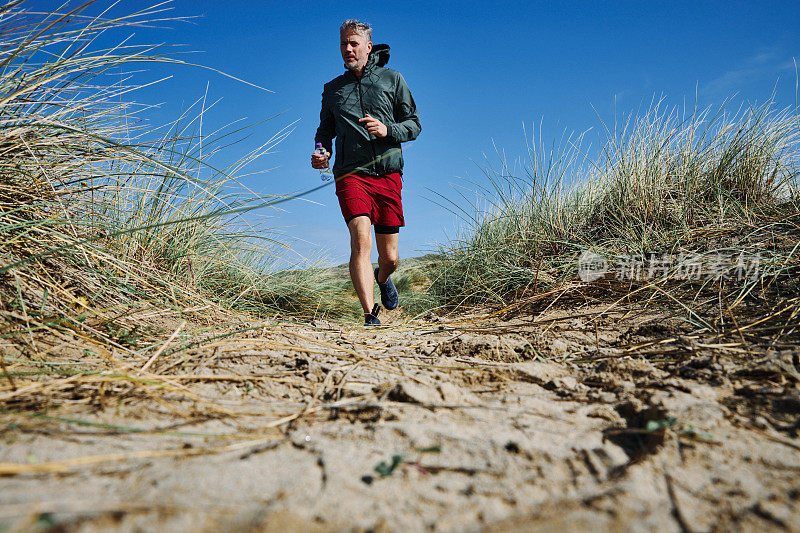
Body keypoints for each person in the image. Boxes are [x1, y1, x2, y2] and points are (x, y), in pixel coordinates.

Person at [311, 20, 421, 326]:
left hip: (387, 174)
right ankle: (370, 314)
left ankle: (383, 278)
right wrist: (321, 151)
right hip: (350, 175)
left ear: (368, 47)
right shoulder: (333, 90)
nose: (348, 49)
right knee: (360, 241)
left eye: (354, 43)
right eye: (343, 43)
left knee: (391, 258)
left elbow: (414, 124)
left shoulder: (392, 80)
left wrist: (388, 130)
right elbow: (324, 131)